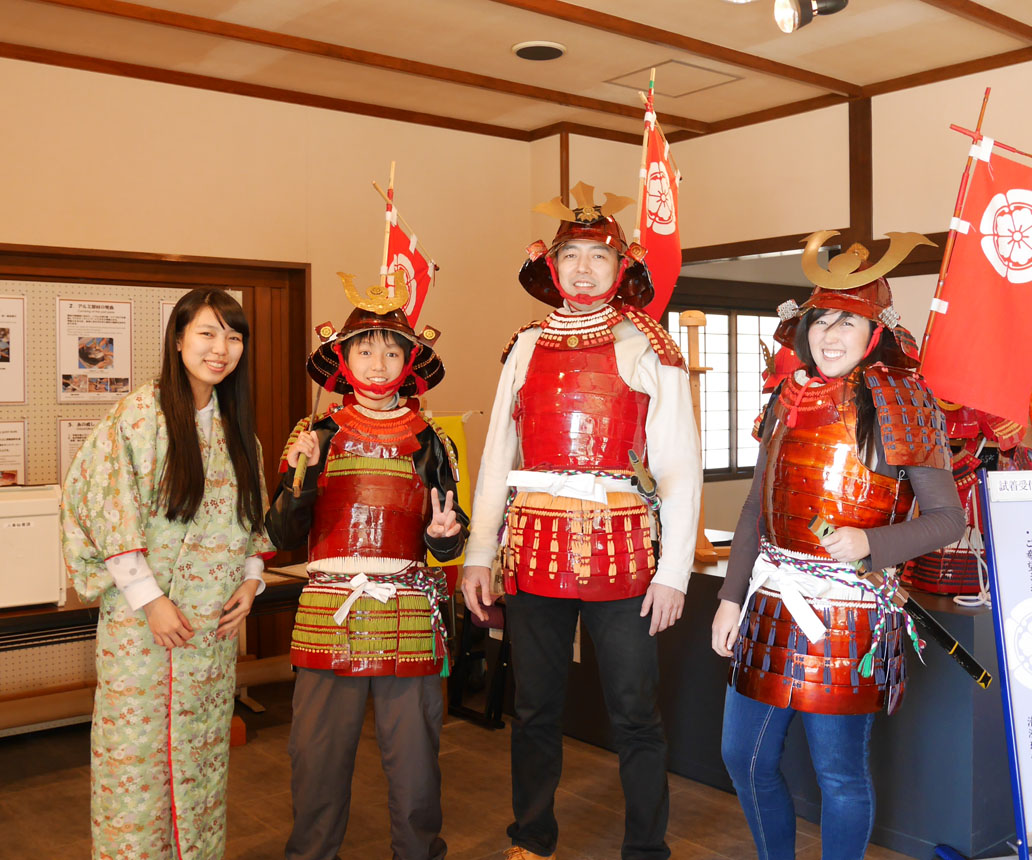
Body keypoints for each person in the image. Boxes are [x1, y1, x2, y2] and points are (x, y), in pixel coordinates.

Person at [460, 182, 702, 860]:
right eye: (572, 256)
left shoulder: (650, 344)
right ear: (552, 266)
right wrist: (480, 551)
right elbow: (497, 458)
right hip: (533, 549)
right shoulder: (527, 344)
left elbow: (680, 464)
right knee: (535, 709)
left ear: (622, 267)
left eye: (599, 256)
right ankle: (531, 837)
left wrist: (676, 571)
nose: (585, 269)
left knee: (634, 714)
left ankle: (646, 848)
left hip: (624, 554)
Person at [711, 233, 966, 860]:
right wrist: (729, 596)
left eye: (848, 319)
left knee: (839, 774)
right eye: (822, 317)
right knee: (743, 755)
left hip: (847, 614)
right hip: (770, 602)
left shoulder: (903, 401)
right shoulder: (788, 395)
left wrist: (871, 541)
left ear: (874, 331)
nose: (831, 333)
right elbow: (756, 507)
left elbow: (947, 519)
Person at [60, 288, 273, 860]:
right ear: (178, 339)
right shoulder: (137, 416)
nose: (221, 348)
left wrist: (251, 583)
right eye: (206, 333)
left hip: (210, 634)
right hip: (144, 633)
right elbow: (105, 508)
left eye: (233, 336)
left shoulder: (238, 430)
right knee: (137, 762)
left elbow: (255, 523)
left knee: (202, 762)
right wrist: (151, 601)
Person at [266, 273, 467, 860]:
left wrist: (445, 538)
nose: (377, 363)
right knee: (316, 759)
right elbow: (279, 534)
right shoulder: (314, 435)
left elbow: (451, 536)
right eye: (364, 349)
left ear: (409, 361)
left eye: (390, 350)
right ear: (344, 358)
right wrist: (300, 479)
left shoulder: (431, 440)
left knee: (415, 768)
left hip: (407, 608)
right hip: (329, 609)